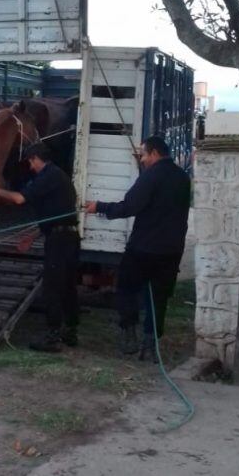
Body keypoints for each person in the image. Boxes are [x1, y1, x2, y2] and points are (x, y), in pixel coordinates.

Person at [84, 135, 191, 359]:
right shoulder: (183, 177)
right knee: (158, 298)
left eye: (143, 155)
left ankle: (128, 334)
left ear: (154, 153)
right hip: (171, 250)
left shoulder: (150, 177)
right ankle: (150, 346)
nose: (141, 159)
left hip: (144, 248)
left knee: (127, 289)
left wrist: (99, 207)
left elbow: (129, 206)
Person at [0, 142, 80, 353]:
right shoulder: (58, 177)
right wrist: (33, 235)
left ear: (37, 158)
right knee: (67, 286)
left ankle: (52, 335)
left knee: (53, 286)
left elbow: (20, 199)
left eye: (31, 162)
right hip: (67, 236)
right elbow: (56, 213)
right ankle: (70, 330)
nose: (30, 167)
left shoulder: (48, 176)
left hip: (60, 240)